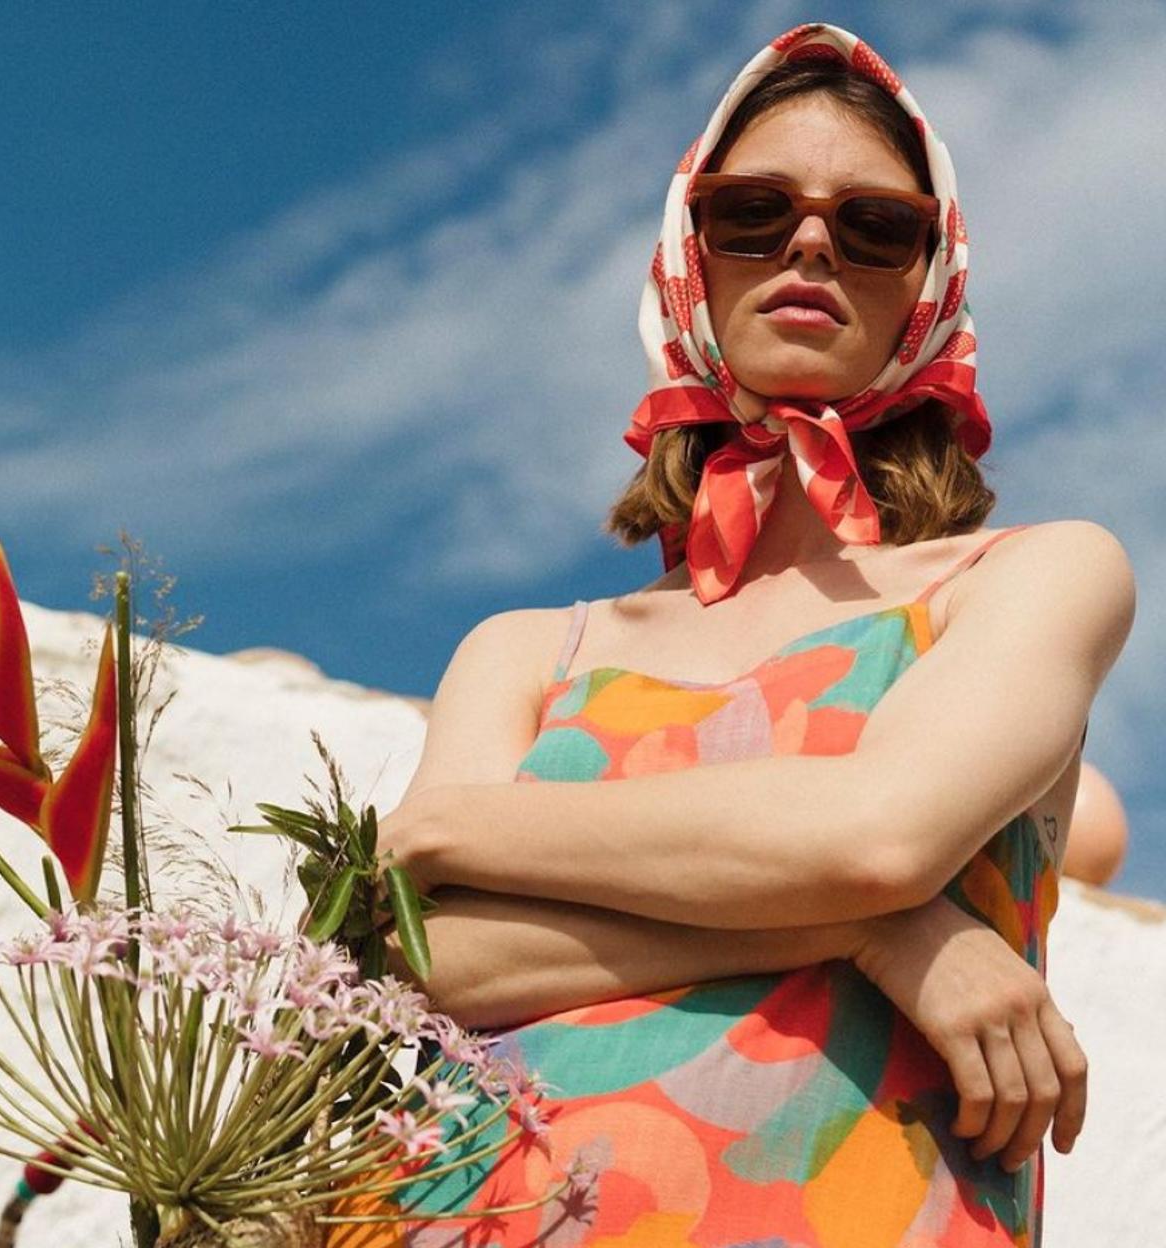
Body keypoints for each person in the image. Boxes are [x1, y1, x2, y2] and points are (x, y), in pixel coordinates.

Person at [356, 22, 1136, 1248]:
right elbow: (427, 963)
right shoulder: (525, 647)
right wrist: (894, 932)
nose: (812, 242)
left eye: (877, 227)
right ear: (690, 255)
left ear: (930, 287)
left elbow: (880, 835)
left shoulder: (1029, 578)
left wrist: (461, 826)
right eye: (754, 213)